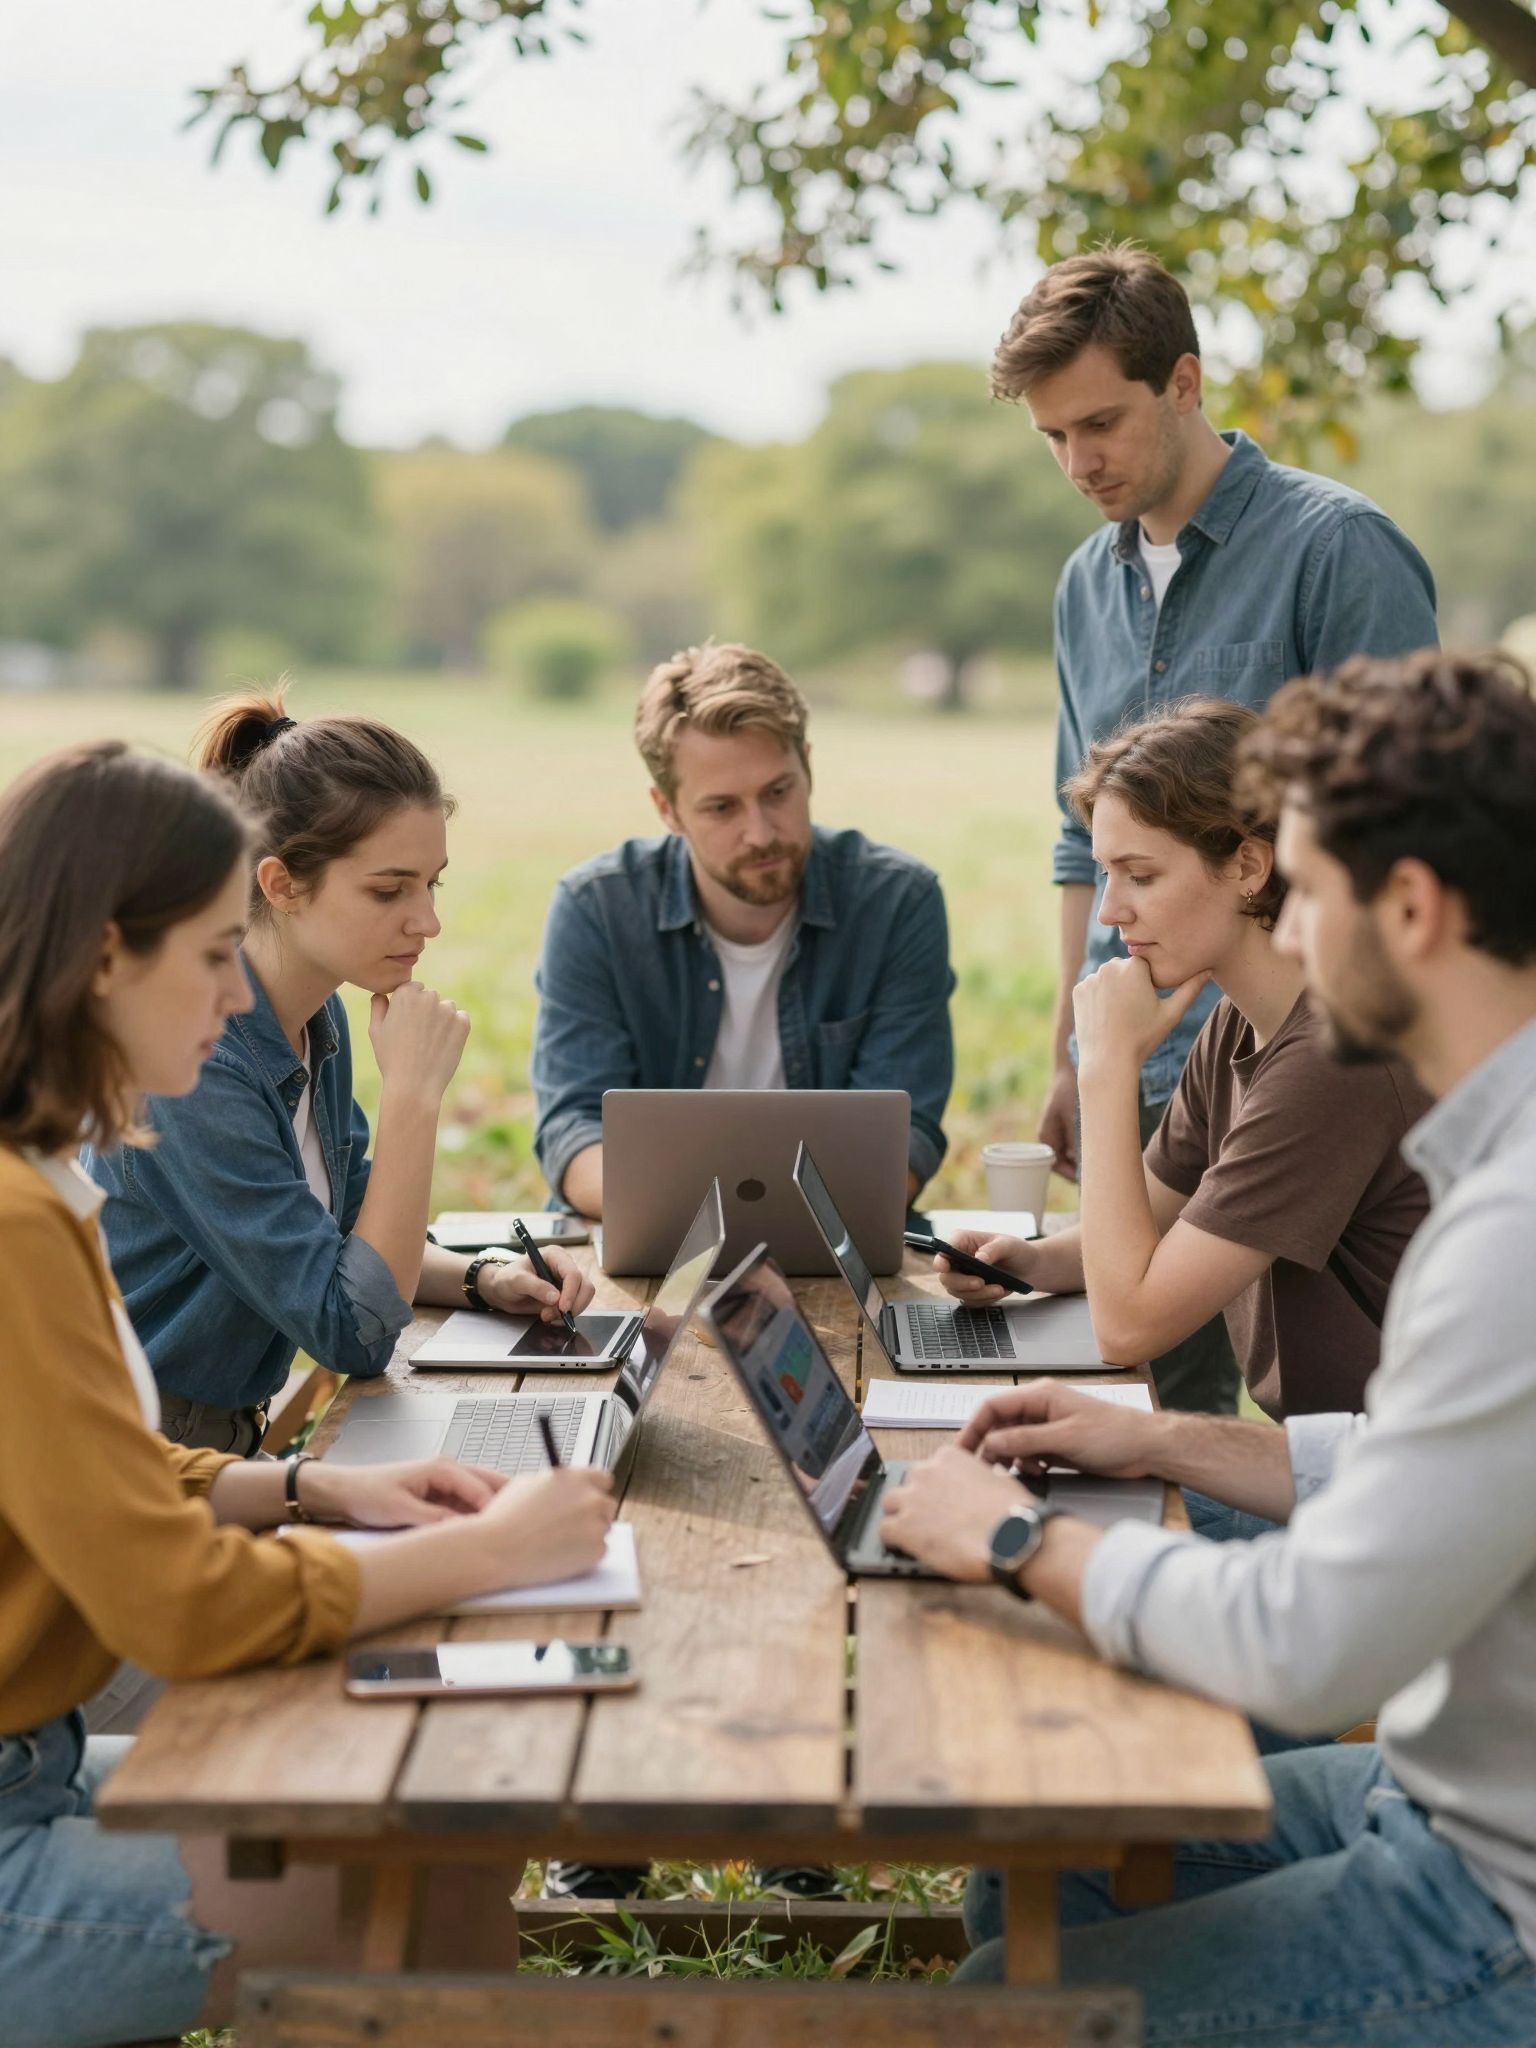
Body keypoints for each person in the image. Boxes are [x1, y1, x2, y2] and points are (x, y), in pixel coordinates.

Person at [882, 649, 1536, 2046]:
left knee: (1003, 2010)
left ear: (1411, 909)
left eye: (1309, 885)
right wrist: (1158, 1436)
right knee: (1050, 1856)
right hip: (1432, 1792)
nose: (1291, 923)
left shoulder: (1509, 1225)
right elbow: (1408, 1455)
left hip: (1497, 1899)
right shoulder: (1493, 1153)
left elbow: (1308, 1647)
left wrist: (1017, 1539)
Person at [0, 741, 616, 2048]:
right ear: (106, 960)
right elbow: (175, 1598)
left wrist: (304, 1485)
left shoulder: (33, 1181)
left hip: (36, 1764)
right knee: (425, 1873)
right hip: (16, 1815)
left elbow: (103, 1467)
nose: (238, 995)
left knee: (447, 1828)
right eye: (213, 954)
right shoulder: (16, 1224)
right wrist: (486, 1550)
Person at [993, 244, 1438, 1411]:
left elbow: (1406, 829)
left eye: (1101, 423)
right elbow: (1078, 845)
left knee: (1278, 1393)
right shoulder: (1083, 585)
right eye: (1052, 437)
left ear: (1183, 383)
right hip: (1155, 1059)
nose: (1078, 462)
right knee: (1140, 1397)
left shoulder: (1337, 551)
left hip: (1312, 1058)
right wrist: (1075, 1051)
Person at [88, 688, 594, 1459]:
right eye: (389, 890)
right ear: (281, 885)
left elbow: (353, 1237)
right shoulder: (196, 1068)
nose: (427, 921)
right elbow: (352, 1328)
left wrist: (485, 1278)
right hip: (141, 1462)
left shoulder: (315, 1016)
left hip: (226, 1447)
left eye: (432, 883)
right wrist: (414, 1097)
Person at [931, 696, 1429, 1427]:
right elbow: (1155, 1218)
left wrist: (1106, 1067)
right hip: (1332, 1454)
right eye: (1105, 874)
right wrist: (1031, 1262)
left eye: (1140, 875)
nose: (1109, 911)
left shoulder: (1332, 1062)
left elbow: (1128, 1326)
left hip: (1389, 1472)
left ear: (1248, 866)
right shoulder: (1238, 1023)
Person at [530, 640, 955, 1215]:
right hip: (654, 1234)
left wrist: (759, 1224)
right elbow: (575, 1131)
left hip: (835, 1237)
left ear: (808, 766)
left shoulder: (898, 902)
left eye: (778, 793)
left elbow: (902, 1140)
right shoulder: (596, 910)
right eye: (722, 808)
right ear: (667, 809)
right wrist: (710, 1220)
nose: (761, 833)